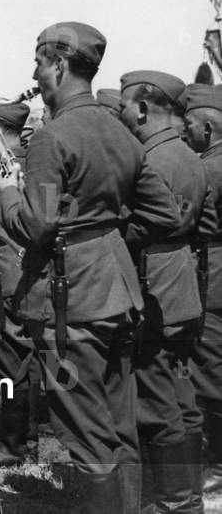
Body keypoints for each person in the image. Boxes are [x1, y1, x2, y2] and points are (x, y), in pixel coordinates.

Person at [0, 22, 180, 513]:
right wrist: (107, 239)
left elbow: (37, 226)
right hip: (118, 295)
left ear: (57, 64)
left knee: (85, 433)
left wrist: (7, 192)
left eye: (38, 62)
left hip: (69, 305)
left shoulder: (52, 139)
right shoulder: (119, 131)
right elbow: (165, 215)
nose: (35, 72)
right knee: (119, 427)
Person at [118, 71, 213, 513]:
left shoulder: (152, 160)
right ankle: (186, 496)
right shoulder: (188, 155)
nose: (120, 112)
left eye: (124, 104)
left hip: (154, 284)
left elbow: (148, 223)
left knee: (158, 400)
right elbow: (196, 225)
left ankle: (175, 502)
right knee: (180, 396)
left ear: (140, 108)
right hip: (182, 283)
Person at [0, 102, 41, 467]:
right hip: (24, 271)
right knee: (26, 358)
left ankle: (14, 444)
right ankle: (26, 438)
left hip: (3, 273)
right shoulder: (34, 159)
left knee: (8, 359)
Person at [183, 83, 222, 498]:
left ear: (208, 129)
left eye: (191, 125)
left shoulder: (208, 169)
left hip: (213, 279)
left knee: (211, 375)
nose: (187, 133)